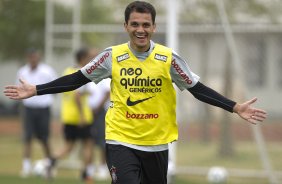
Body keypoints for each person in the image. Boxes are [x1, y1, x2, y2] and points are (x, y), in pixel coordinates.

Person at [4, 1, 267, 183]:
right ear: (126, 26)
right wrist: (36, 89)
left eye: (145, 24)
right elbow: (77, 78)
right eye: (134, 24)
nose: (140, 29)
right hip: (120, 140)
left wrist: (235, 107)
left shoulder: (168, 59)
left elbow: (196, 88)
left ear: (153, 27)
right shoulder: (111, 56)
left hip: (156, 143)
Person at [49, 48, 95, 183]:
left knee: (69, 147)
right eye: (88, 57)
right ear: (83, 58)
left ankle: (52, 160)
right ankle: (85, 174)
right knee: (88, 144)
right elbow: (77, 96)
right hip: (81, 117)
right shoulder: (81, 73)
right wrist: (82, 116)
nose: (91, 60)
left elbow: (70, 93)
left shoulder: (67, 71)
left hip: (68, 116)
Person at [15, 48, 57, 177]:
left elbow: (56, 86)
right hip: (29, 109)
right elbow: (18, 89)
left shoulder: (47, 71)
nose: (33, 59)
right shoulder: (22, 71)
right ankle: (26, 167)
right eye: (31, 57)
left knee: (44, 138)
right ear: (28, 58)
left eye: (35, 57)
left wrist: (46, 99)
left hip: (43, 108)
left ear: (38, 57)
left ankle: (50, 166)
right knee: (27, 137)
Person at [89, 78, 111, 180]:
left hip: (101, 112)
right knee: (91, 140)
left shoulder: (104, 77)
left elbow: (107, 93)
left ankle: (103, 168)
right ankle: (91, 167)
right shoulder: (91, 77)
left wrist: (98, 108)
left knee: (102, 140)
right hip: (90, 112)